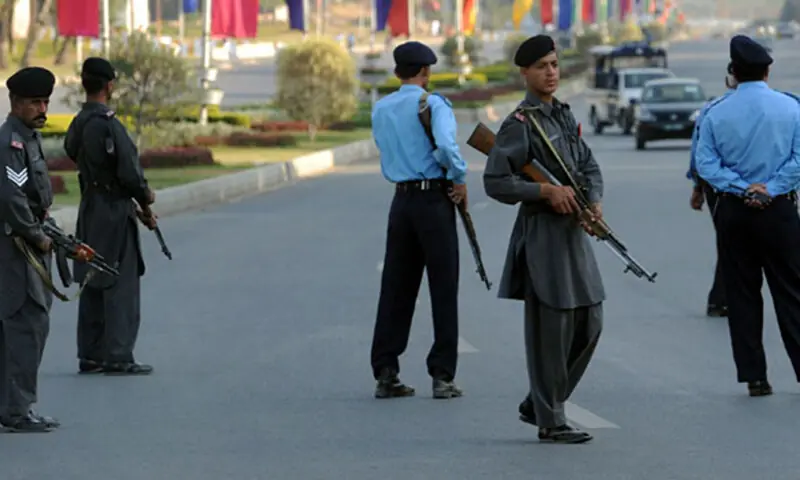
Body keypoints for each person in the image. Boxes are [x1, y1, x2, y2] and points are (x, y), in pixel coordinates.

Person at [483, 35, 604, 444]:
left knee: (590, 322)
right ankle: (550, 420)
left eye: (554, 64)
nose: (551, 72)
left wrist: (595, 200)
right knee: (550, 332)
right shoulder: (518, 125)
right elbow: (496, 181)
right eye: (542, 67)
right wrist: (544, 192)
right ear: (525, 73)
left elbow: (587, 164)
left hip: (573, 232)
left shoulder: (563, 116)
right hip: (542, 237)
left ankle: (540, 403)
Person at [695, 35, 800, 397]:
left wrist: (742, 188)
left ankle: (755, 377)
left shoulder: (714, 112)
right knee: (791, 292)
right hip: (780, 211)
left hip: (735, 212)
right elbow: (798, 160)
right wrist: (769, 188)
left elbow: (706, 164)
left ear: (733, 73)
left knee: (741, 294)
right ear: (768, 71)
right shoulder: (791, 108)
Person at [369, 41, 468, 400]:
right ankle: (442, 375)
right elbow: (446, 145)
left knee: (396, 286)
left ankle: (386, 369)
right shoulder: (433, 104)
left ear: (398, 73)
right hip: (433, 199)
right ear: (425, 72)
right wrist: (458, 176)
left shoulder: (381, 108)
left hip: (401, 201)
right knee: (443, 287)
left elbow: (384, 148)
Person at [64, 57, 157, 376]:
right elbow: (130, 173)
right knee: (120, 281)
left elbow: (71, 150)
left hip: (89, 208)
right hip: (115, 211)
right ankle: (118, 354)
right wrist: (146, 198)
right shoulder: (110, 124)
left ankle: (90, 353)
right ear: (109, 86)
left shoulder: (78, 122)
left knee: (92, 277)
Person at [0, 66, 61, 432]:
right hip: (16, 248)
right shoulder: (11, 142)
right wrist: (37, 235)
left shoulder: (29, 138)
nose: (42, 108)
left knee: (18, 326)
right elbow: (10, 196)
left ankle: (11, 405)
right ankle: (18, 409)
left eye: (45, 102)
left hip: (25, 240)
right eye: (35, 102)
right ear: (16, 103)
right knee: (27, 325)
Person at [686, 70, 736, 318]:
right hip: (764, 189)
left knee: (728, 242)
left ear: (730, 79)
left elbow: (700, 151)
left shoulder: (712, 109)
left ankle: (722, 299)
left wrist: (697, 186)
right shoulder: (781, 104)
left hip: (719, 187)